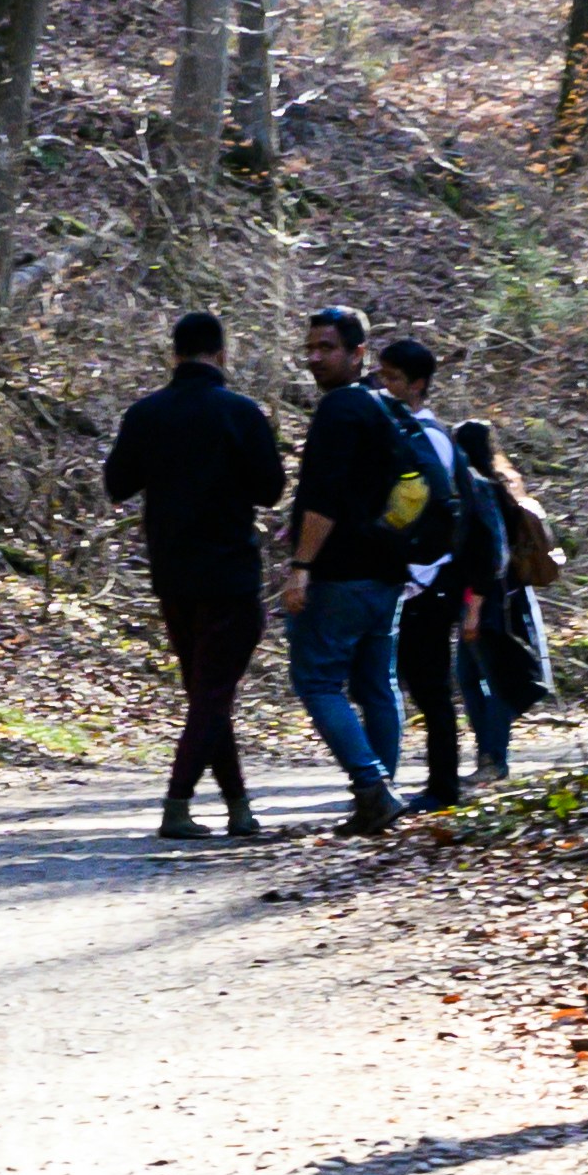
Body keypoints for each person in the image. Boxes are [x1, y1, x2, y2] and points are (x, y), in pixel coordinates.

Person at [100, 307, 288, 841]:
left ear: (174, 354)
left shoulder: (145, 413)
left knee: (208, 693)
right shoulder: (240, 412)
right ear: (222, 353)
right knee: (212, 695)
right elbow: (270, 490)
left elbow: (117, 483)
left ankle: (239, 807)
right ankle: (177, 805)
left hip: (172, 572)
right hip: (228, 573)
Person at [273, 303, 429, 835]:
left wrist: (300, 567)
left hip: (339, 573)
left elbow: (323, 498)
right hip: (386, 570)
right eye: (310, 348)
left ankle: (371, 786)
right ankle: (381, 799)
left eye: (328, 348)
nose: (314, 358)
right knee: (377, 684)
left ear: (358, 353)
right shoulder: (383, 407)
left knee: (316, 680)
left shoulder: (340, 410)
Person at [372, 337, 499, 812]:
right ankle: (427, 781)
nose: (384, 386)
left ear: (419, 385)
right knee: (418, 682)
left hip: (428, 579)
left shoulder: (424, 437)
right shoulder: (413, 432)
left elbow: (429, 511)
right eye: (382, 376)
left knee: (428, 685)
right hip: (423, 578)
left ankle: (442, 785)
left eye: (394, 379)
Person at [454, 418, 557, 779]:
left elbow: (490, 557)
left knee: (493, 682)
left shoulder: (481, 491)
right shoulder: (501, 487)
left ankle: (493, 759)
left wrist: (474, 608)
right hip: (502, 598)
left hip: (488, 602)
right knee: (470, 678)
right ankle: (488, 756)